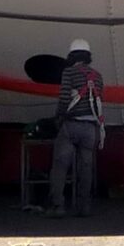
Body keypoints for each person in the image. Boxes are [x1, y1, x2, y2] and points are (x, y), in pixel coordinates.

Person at [47, 38, 106, 218]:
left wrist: (57, 117)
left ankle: (58, 206)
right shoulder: (97, 76)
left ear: (71, 55)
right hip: (90, 128)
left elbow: (64, 98)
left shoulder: (69, 73)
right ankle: (84, 207)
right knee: (86, 168)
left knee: (61, 166)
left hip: (71, 125)